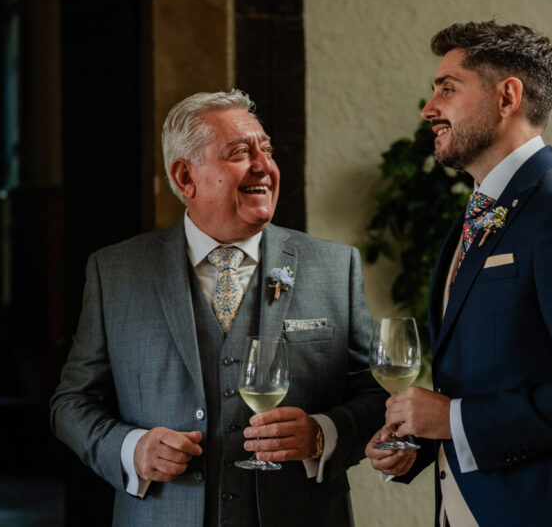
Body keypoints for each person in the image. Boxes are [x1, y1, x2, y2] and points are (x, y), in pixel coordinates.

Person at [51, 90, 383, 526]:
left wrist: (323, 434)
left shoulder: (335, 267)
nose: (264, 165)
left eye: (266, 149)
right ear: (186, 178)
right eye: (240, 152)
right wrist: (131, 449)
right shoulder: (115, 272)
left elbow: (377, 394)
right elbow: (71, 403)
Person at [366, 21, 552, 526]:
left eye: (447, 88)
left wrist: (451, 419)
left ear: (507, 96)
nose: (429, 110)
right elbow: (489, 379)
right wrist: (420, 441)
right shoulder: (472, 218)